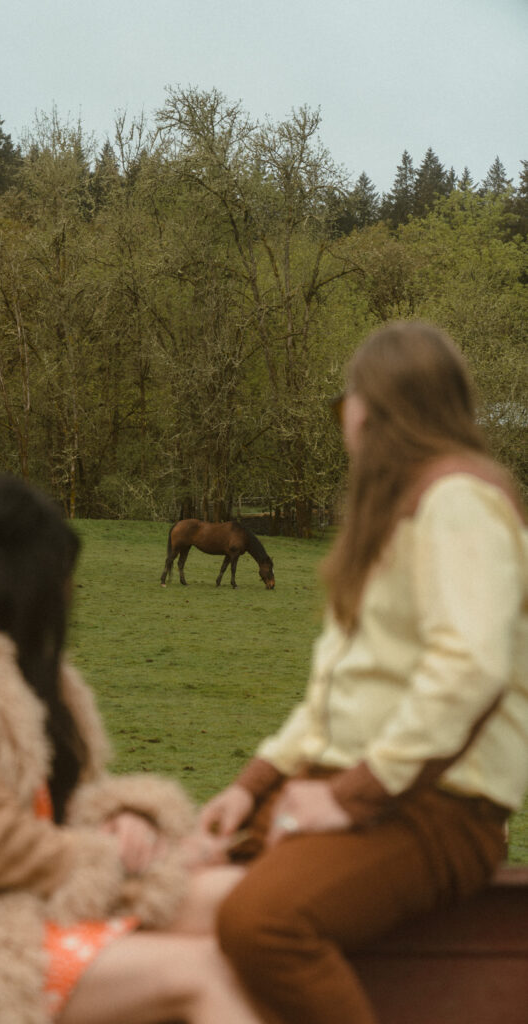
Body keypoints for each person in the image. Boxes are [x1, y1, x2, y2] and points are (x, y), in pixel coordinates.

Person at [192, 321, 528, 1024]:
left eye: (349, 396)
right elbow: (336, 693)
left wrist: (350, 796)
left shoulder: (458, 502)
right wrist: (253, 784)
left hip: (439, 807)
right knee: (177, 895)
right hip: (354, 790)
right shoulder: (392, 516)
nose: (343, 412)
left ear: (374, 408)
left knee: (261, 924)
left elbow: (470, 669)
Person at [0, 473, 267, 1024]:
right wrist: (116, 857)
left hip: (48, 900)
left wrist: (126, 818)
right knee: (200, 973)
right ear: (23, 579)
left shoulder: (40, 675)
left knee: (237, 904)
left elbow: (66, 805)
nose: (70, 589)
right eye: (60, 572)